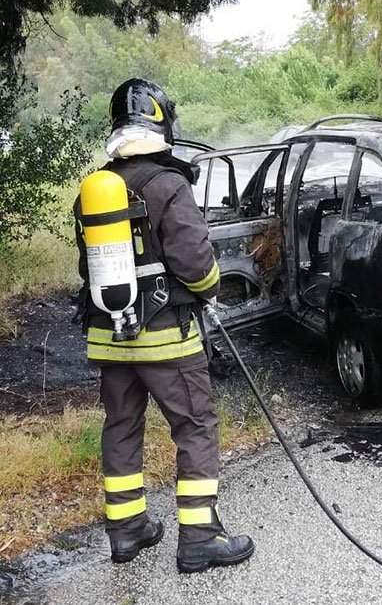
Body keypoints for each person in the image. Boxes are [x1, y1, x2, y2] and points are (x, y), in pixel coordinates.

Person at [74, 78, 254, 573]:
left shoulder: (95, 190)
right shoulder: (169, 185)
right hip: (166, 340)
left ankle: (127, 529)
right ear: (161, 124)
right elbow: (197, 265)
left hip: (108, 338)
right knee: (195, 427)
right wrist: (211, 288)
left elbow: (87, 268)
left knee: (122, 426)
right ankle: (199, 537)